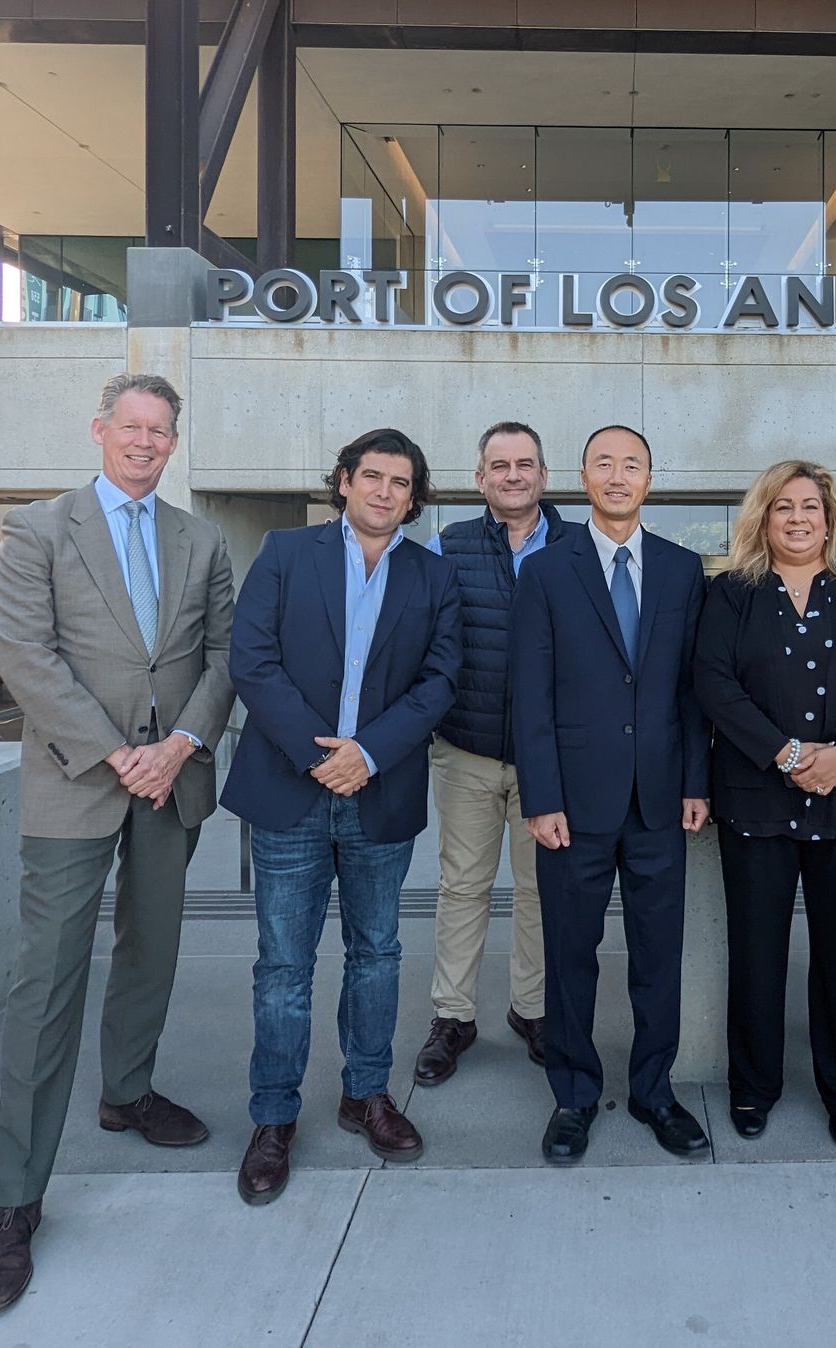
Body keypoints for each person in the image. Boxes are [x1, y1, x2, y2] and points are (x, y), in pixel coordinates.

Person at [0, 373, 236, 1314]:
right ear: (101, 431)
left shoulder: (200, 538)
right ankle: (16, 1201)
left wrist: (179, 746)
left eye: (161, 431)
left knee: (151, 951)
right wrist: (117, 754)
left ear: (172, 444)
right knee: (46, 982)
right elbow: (26, 656)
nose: (145, 442)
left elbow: (222, 654)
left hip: (173, 778)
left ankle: (128, 1091)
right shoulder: (39, 530)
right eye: (132, 427)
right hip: (78, 781)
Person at [221, 429, 460, 1205]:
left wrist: (369, 754)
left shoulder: (432, 573)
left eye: (401, 482)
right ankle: (273, 1119)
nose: (386, 492)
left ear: (414, 498)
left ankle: (366, 1096)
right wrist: (320, 754)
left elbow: (440, 680)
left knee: (377, 954)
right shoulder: (286, 554)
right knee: (284, 966)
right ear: (345, 483)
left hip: (379, 793)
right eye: (372, 477)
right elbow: (250, 659)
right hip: (292, 789)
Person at [695, 460, 836, 1149]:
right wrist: (787, 755)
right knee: (757, 954)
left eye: (810, 508)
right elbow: (714, 681)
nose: (797, 519)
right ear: (763, 516)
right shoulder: (733, 591)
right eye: (782, 507)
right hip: (757, 796)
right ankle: (753, 1088)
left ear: (830, 519)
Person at [510, 425, 710, 1164]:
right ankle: (573, 1094)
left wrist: (696, 780)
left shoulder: (684, 570)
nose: (618, 476)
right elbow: (530, 695)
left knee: (659, 954)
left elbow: (692, 689)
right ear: (582, 476)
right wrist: (541, 795)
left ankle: (655, 1090)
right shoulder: (546, 571)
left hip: (661, 799)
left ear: (650, 480)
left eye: (632, 465)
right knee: (572, 953)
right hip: (573, 803)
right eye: (605, 464)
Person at [413, 422, 575, 1087]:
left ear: (543, 474)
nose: (514, 475)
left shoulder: (580, 546)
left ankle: (532, 1010)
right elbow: (420, 641)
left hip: (552, 760)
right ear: (479, 478)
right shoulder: (445, 547)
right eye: (499, 465)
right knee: (462, 886)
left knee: (542, 891)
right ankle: (453, 1016)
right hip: (468, 751)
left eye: (526, 463)